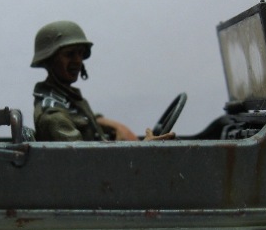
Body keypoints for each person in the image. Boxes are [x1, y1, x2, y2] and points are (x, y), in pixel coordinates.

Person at [30, 20, 170, 142]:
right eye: (69, 54)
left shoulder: (67, 98)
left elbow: (84, 118)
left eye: (80, 53)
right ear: (49, 60)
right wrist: (143, 149)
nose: (78, 61)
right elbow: (85, 158)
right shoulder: (54, 116)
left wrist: (116, 126)